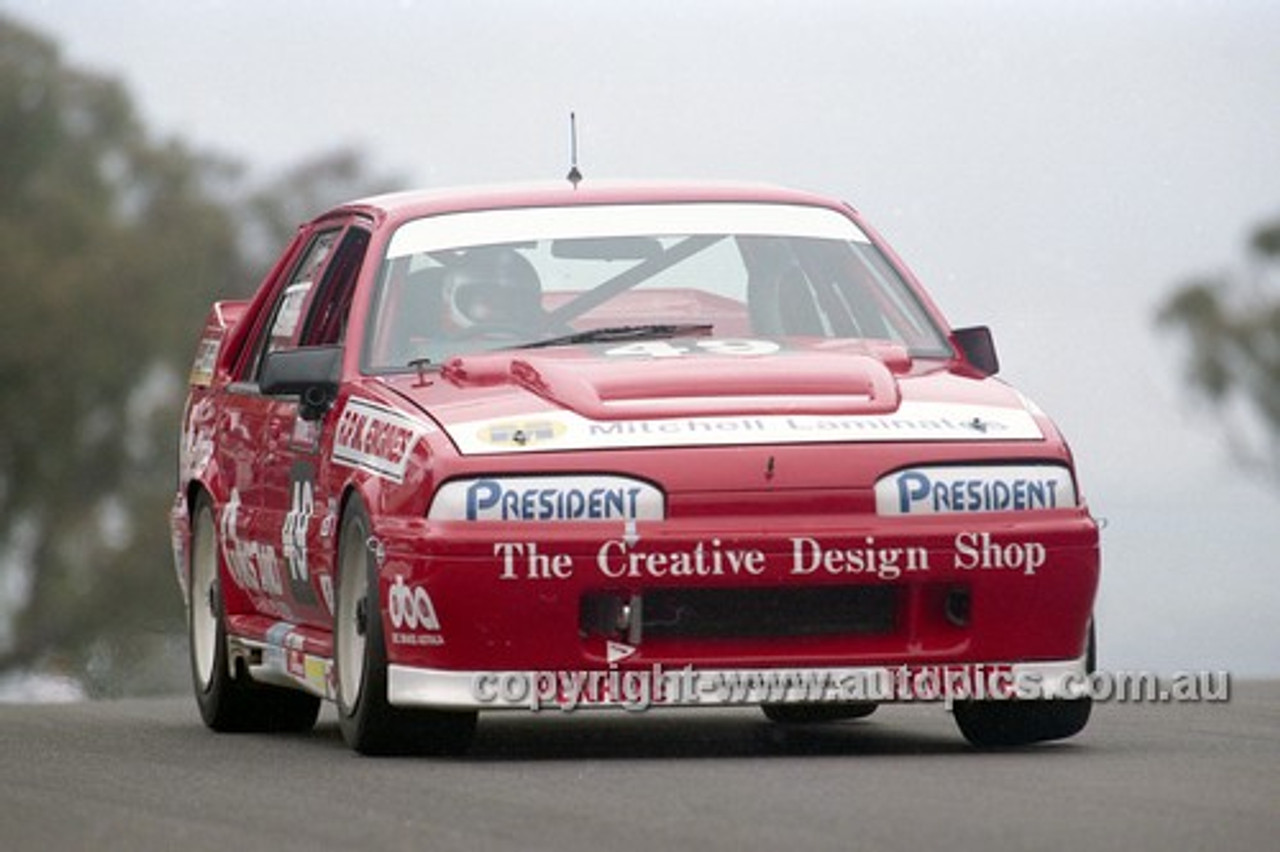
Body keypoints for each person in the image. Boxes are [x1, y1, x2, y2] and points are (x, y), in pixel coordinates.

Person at [440, 247, 544, 334]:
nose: (499, 305)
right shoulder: (432, 347)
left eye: (508, 298)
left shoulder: (548, 339)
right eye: (485, 298)